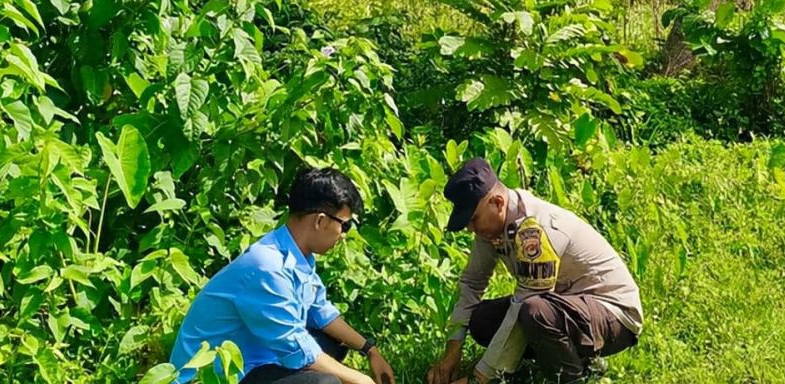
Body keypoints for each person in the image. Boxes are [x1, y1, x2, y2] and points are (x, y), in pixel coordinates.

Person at [169, 168, 395, 384]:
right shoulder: (267, 267)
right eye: (344, 226)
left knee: (334, 343)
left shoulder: (295, 254)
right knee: (325, 382)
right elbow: (296, 346)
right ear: (320, 220)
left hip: (258, 357)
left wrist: (370, 350)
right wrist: (360, 379)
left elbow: (320, 312)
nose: (343, 235)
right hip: (219, 375)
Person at [426, 159, 642, 384]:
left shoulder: (536, 231)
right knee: (481, 320)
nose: (471, 229)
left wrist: (479, 379)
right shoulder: (489, 228)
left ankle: (571, 376)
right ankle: (581, 360)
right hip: (566, 307)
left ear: (498, 203)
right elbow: (472, 282)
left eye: (473, 219)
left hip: (615, 315)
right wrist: (452, 352)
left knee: (534, 311)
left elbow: (525, 302)